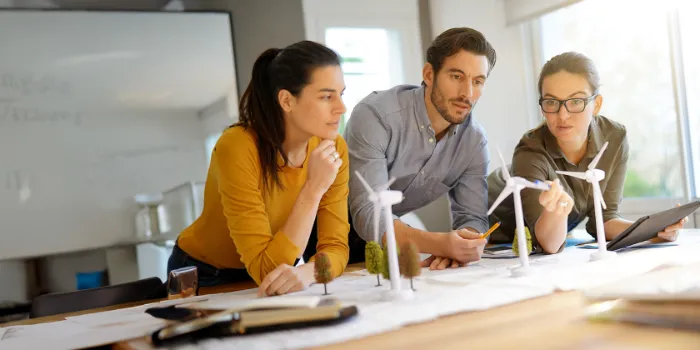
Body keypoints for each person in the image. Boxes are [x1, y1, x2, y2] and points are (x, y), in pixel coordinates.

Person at [168, 40, 350, 296]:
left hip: (276, 270)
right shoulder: (238, 146)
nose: (341, 107)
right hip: (206, 274)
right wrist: (313, 188)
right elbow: (266, 270)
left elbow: (336, 247)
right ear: (287, 101)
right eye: (326, 96)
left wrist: (309, 271)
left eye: (341, 94)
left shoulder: (333, 148)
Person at [487, 52, 689, 253]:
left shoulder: (614, 138)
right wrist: (556, 213)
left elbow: (605, 220)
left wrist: (653, 231)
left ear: (597, 104)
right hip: (490, 228)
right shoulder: (529, 151)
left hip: (547, 236)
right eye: (551, 102)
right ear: (542, 107)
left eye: (576, 101)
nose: (563, 115)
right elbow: (548, 243)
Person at [345, 27, 496, 270]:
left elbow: (473, 218)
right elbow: (368, 213)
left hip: (388, 241)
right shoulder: (376, 116)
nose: (467, 93)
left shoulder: (474, 142)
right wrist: (440, 244)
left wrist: (464, 245)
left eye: (477, 81)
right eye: (456, 77)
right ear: (428, 74)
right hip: (326, 236)